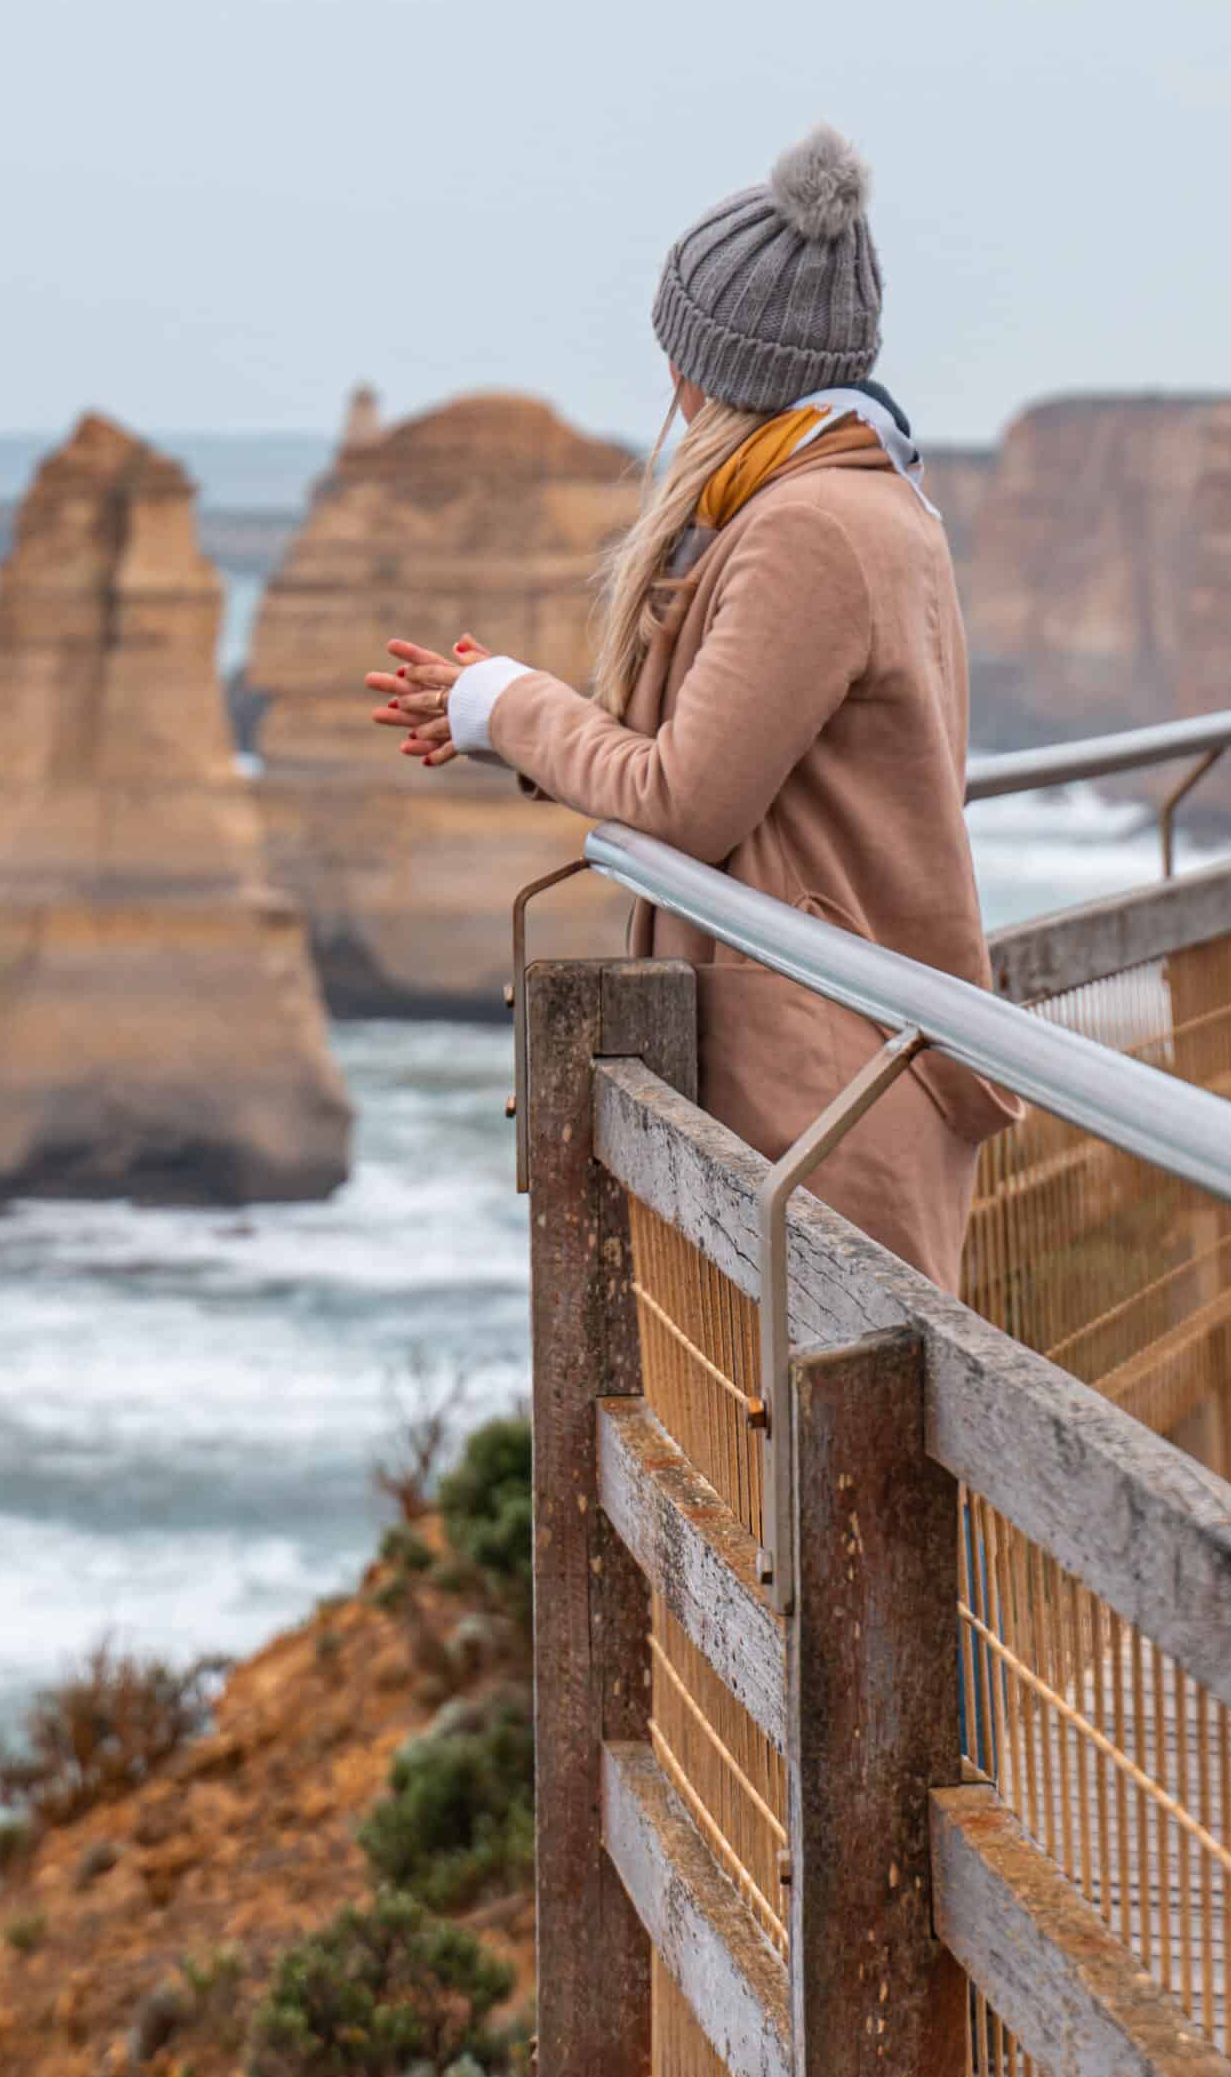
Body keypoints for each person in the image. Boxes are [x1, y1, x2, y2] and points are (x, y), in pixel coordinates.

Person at [365, 118, 1020, 1291]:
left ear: (719, 368)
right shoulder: (866, 501)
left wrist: (510, 705)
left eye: (676, 353)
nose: (665, 383)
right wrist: (506, 712)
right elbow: (741, 759)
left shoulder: (807, 528)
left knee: (809, 1462)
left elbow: (681, 801)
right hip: (841, 1067)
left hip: (820, 1097)